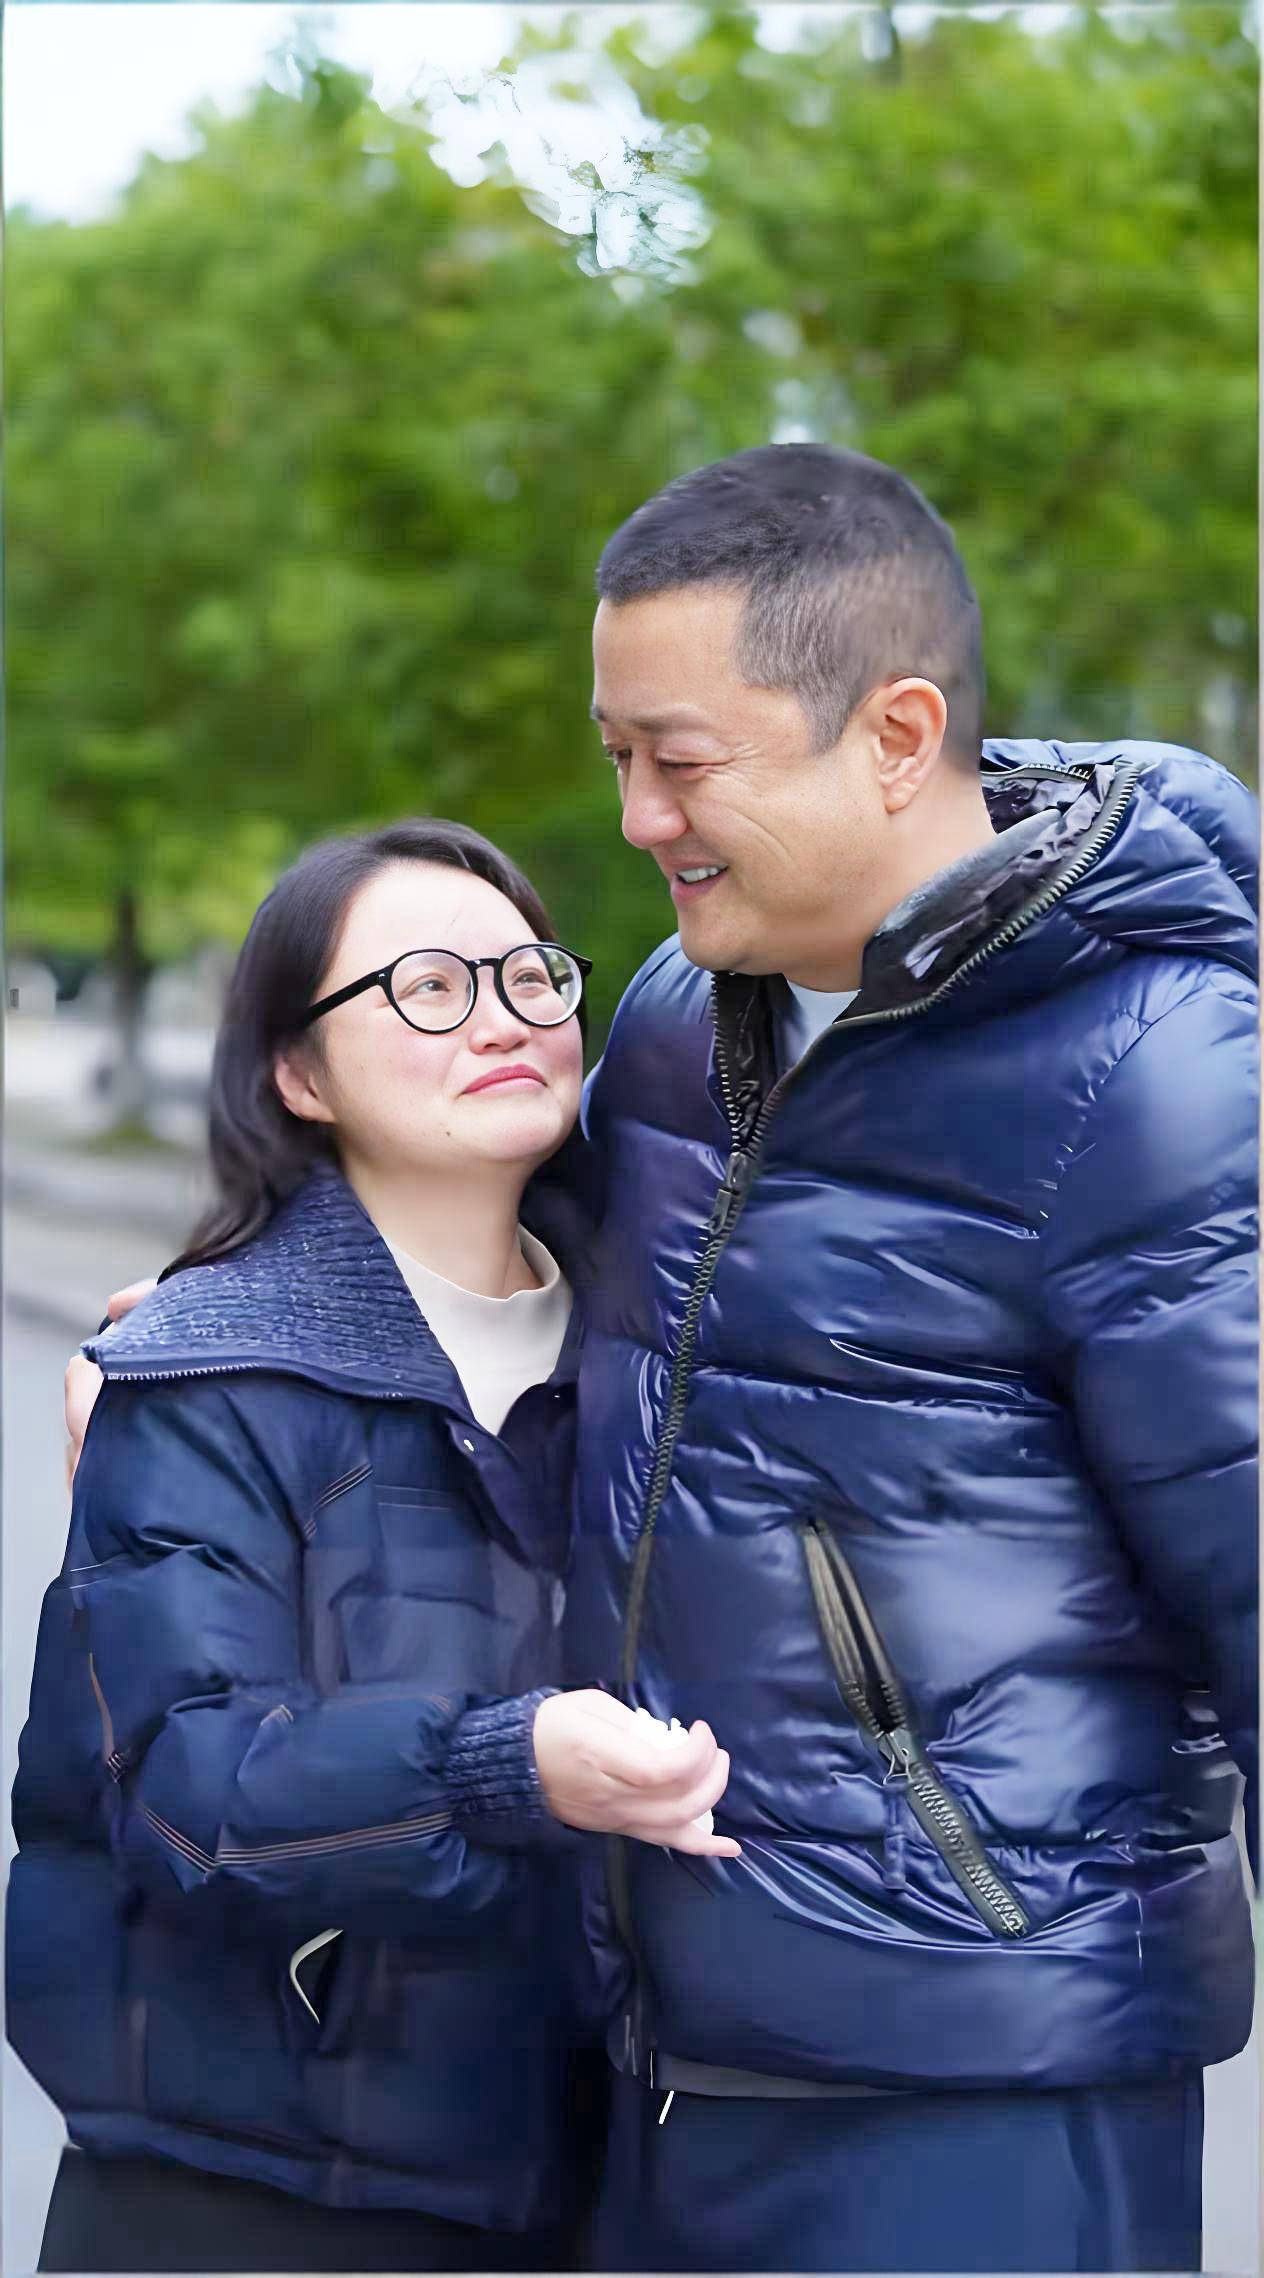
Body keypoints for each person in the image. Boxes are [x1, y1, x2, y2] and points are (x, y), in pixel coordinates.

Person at [565, 444, 1258, 2272]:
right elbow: (496, 1271)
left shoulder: (1159, 1066)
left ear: (896, 734)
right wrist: (232, 1323)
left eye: (679, 760)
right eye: (617, 755)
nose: (637, 816)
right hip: (665, 2063)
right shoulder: (676, 1011)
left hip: (981, 2105)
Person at [10, 817, 739, 2276]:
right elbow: (189, 1788)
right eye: (428, 988)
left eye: (529, 976)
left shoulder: (665, 1352)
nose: (502, 1019)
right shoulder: (209, 1372)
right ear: (300, 1072)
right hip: (249, 2198)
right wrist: (504, 1765)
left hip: (596, 2181)